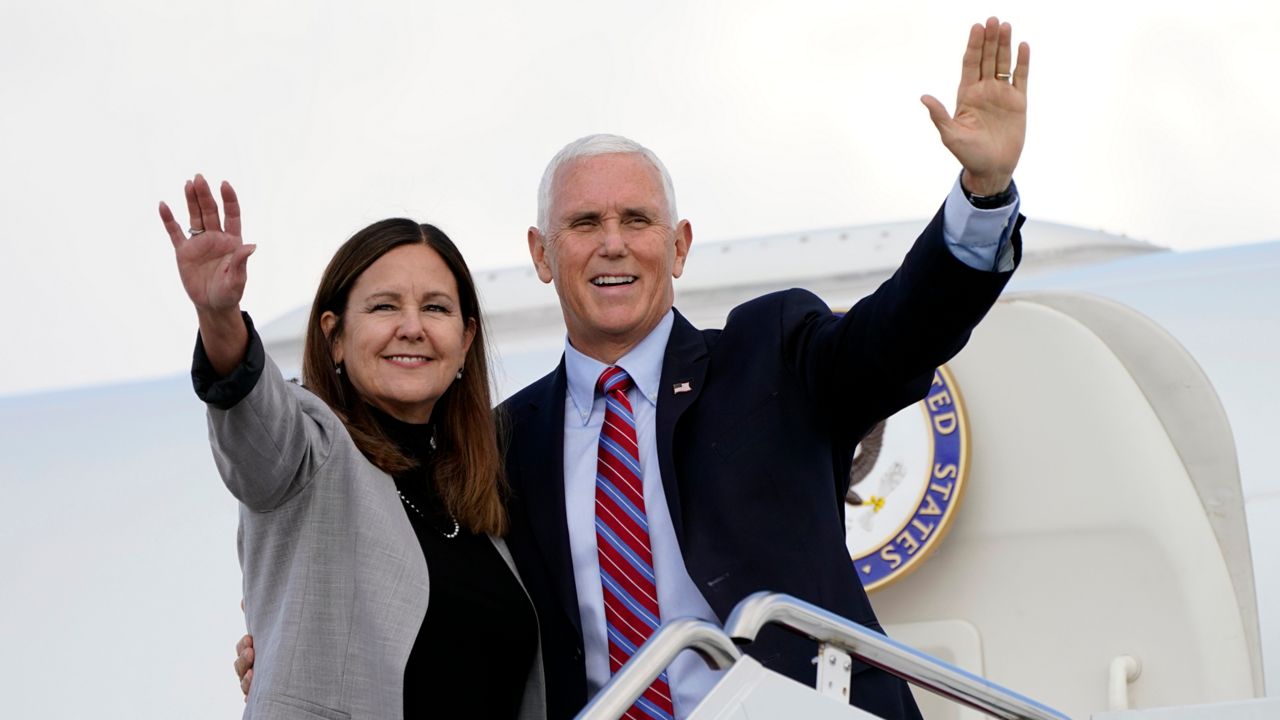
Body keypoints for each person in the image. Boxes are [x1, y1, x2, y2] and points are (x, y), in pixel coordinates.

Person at [240, 15, 1029, 719]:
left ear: (679, 246)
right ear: (542, 255)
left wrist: (981, 196)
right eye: (584, 223)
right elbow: (432, 599)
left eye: (636, 220)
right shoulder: (499, 447)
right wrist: (283, 652)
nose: (612, 243)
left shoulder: (771, 355)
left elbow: (898, 337)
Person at [162, 179, 544, 719]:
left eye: (435, 308)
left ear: (465, 343)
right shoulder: (311, 453)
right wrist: (220, 317)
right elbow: (258, 428)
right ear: (334, 336)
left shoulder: (483, 494)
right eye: (384, 307)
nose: (411, 328)